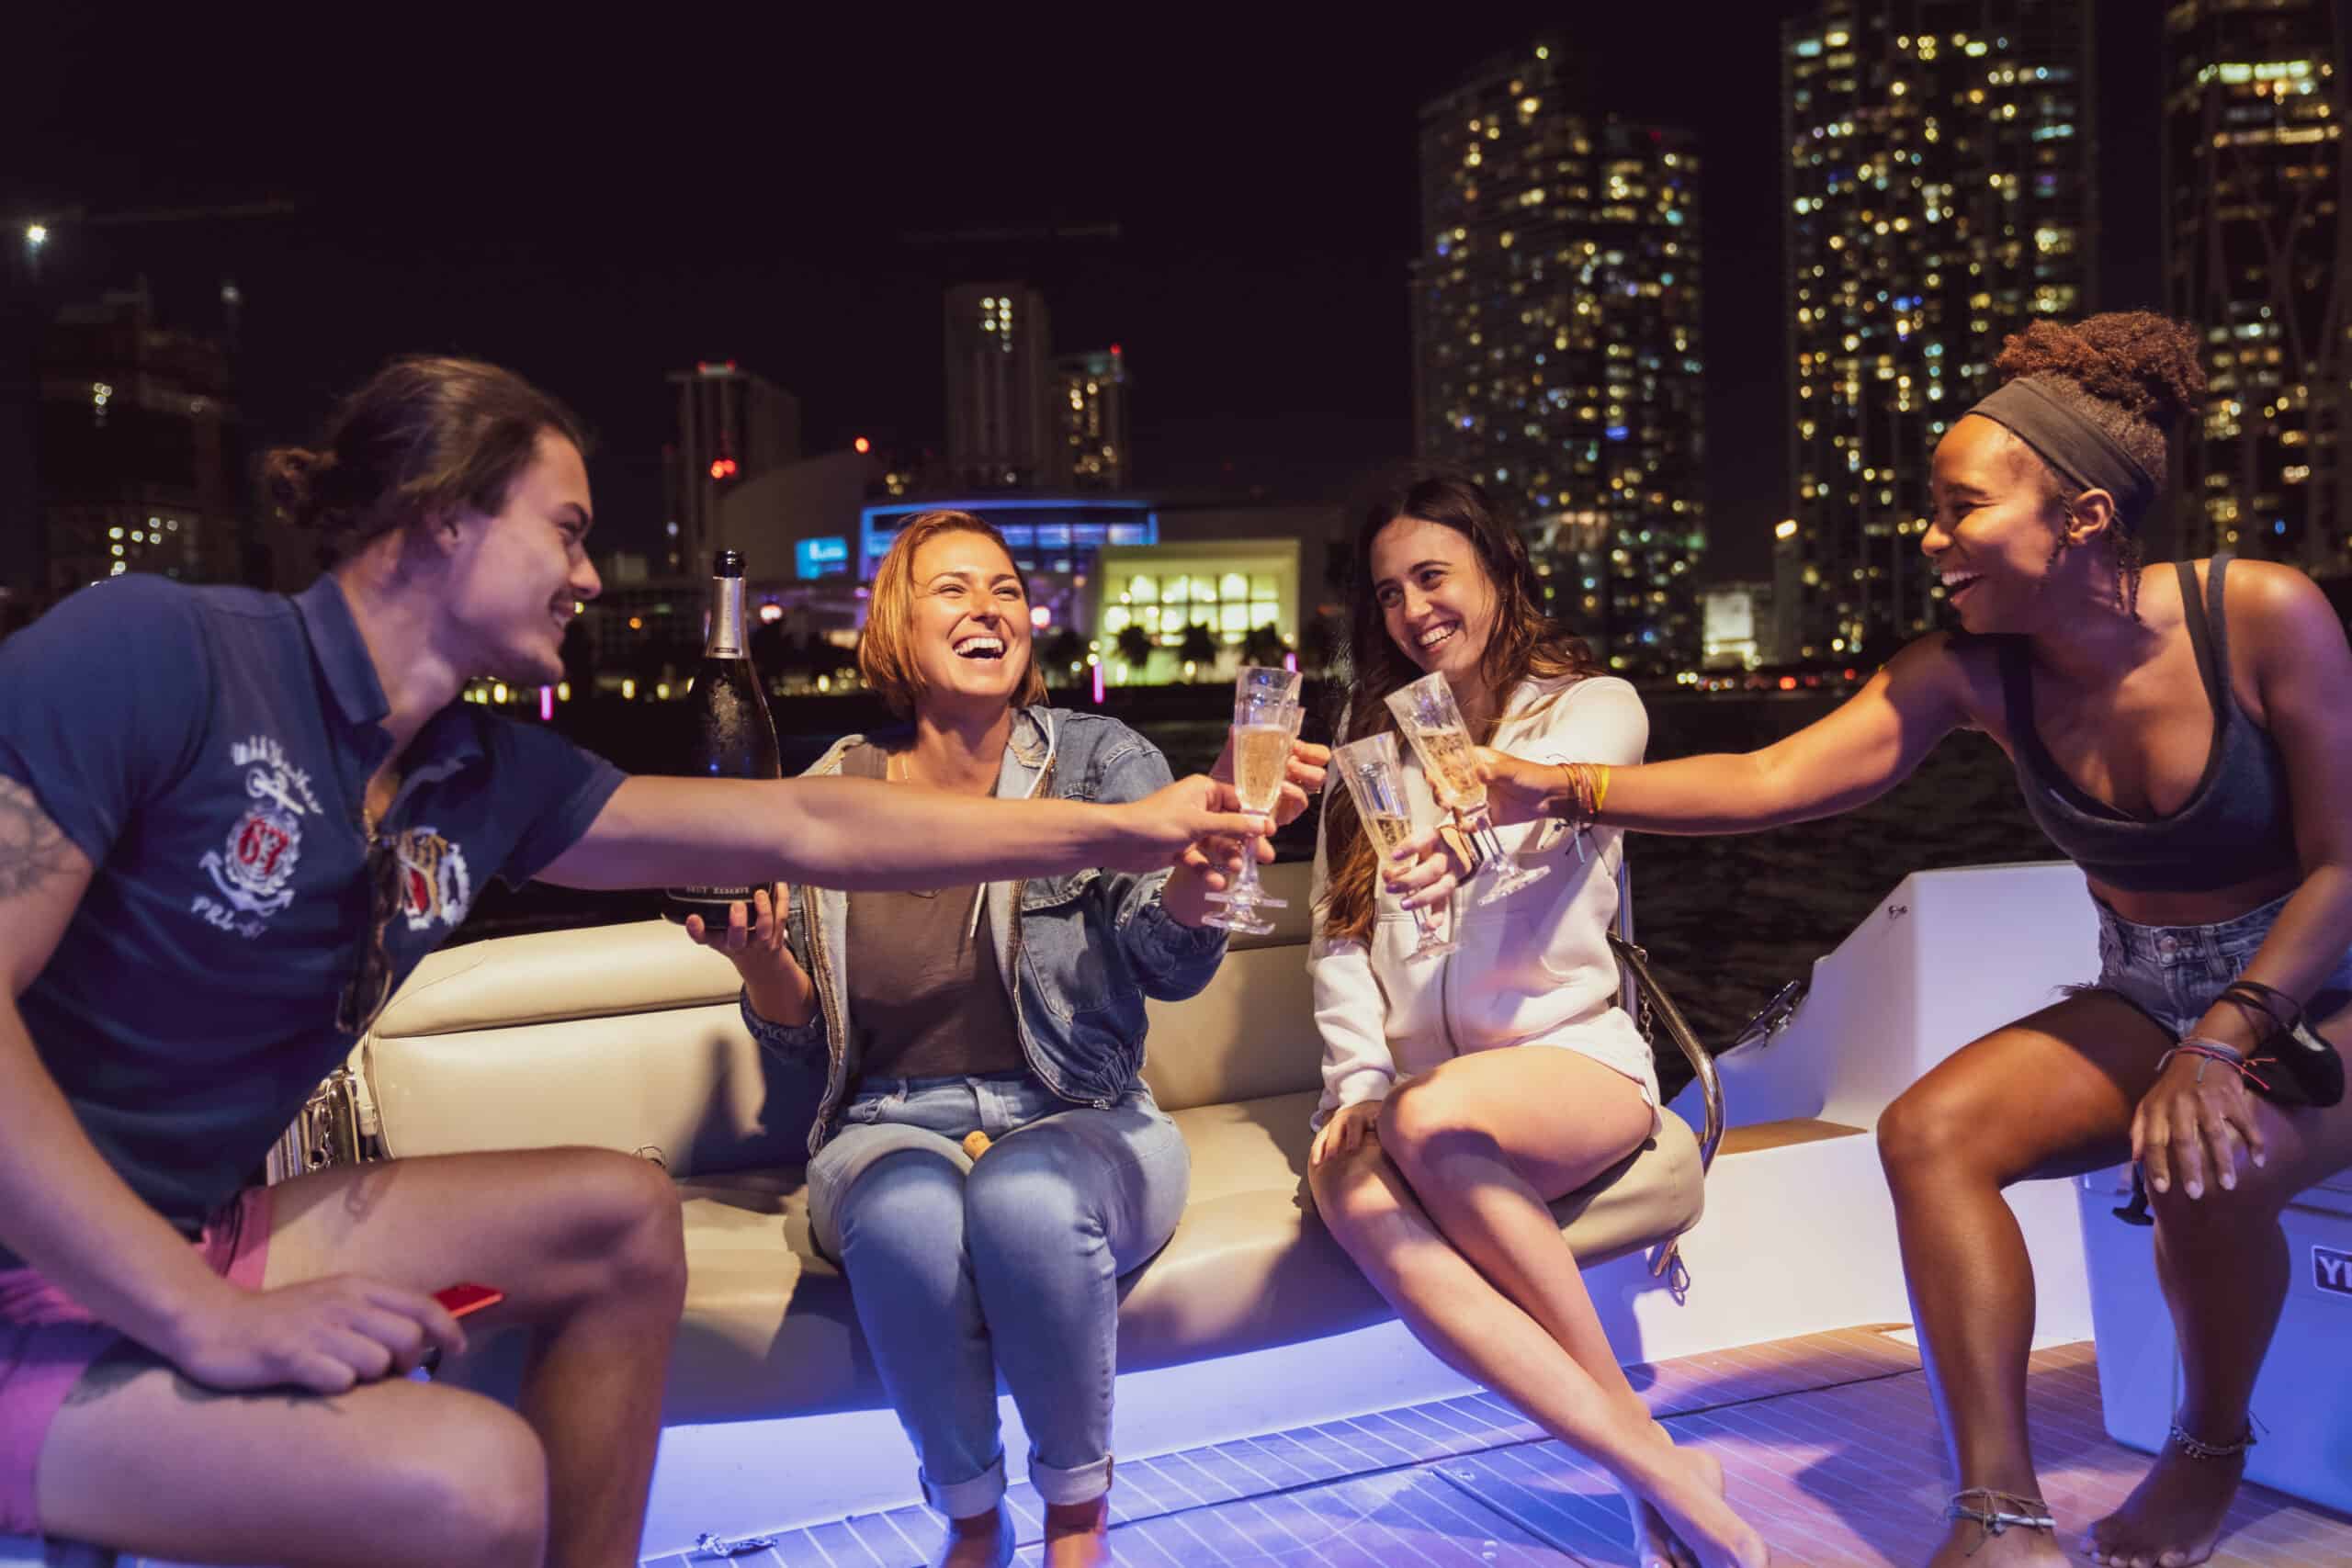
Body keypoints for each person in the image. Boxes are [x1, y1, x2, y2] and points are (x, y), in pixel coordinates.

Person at [0, 359, 1269, 1568]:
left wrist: (1135, 823)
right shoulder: (156, 652)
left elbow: (810, 823)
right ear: (445, 517)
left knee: (619, 1211)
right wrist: (195, 1312)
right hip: (42, 1263)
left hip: (194, 1227)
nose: (592, 578)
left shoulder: (475, 777)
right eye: (564, 531)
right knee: (482, 1475)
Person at [1397, 314, 2352, 1568]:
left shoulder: (2263, 615)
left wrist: (2229, 1035)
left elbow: (2344, 863)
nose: (1930, 537)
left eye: (1961, 509)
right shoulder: (1970, 672)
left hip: (2316, 989)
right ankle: (1999, 1513)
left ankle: (2205, 1447)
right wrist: (1559, 785)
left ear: (2080, 518)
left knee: (2202, 1160)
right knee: (1929, 1130)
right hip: (2143, 991)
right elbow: (1770, 776)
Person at [681, 510, 1325, 1568]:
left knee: (1027, 1200)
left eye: (1006, 590)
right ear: (894, 625)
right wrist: (756, 961)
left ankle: (1078, 1526)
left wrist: (1201, 889)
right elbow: (806, 1053)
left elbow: (1164, 963)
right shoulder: (829, 787)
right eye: (952, 590)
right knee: (901, 1219)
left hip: (1081, 1115)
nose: (988, 609)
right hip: (888, 1124)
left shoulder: (1097, 758)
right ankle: (973, 1522)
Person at [1306, 475, 1770, 1568]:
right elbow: (1336, 940)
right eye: (1386, 593)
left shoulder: (1591, 707)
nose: (1412, 609)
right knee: (1348, 1176)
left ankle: (1640, 1456)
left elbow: (1545, 804)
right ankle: (1657, 1467)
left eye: (1432, 576)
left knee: (1431, 1124)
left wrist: (1472, 832)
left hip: (1571, 1062)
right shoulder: (1368, 750)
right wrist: (1357, 1084)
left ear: (1500, 575)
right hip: (1417, 1087)